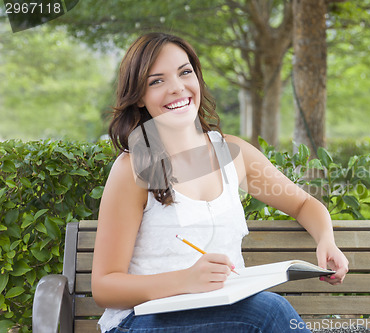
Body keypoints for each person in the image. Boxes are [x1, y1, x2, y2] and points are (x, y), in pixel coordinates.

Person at [91, 32, 349, 333]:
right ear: (138, 96)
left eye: (185, 72)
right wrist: (184, 280)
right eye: (156, 81)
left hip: (224, 315)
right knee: (268, 311)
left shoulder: (232, 154)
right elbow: (104, 286)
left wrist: (326, 240)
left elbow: (303, 203)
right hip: (141, 322)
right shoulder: (134, 167)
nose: (177, 88)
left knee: (261, 311)